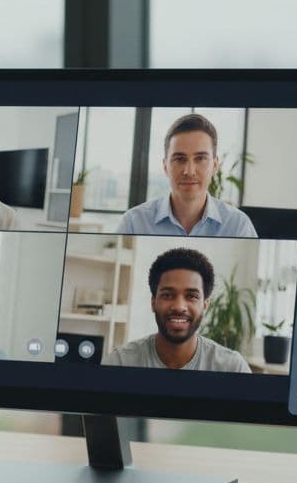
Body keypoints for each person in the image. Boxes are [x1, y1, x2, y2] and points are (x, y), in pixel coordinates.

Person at [103, 248, 252, 372]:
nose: (179, 307)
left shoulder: (233, 368)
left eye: (191, 296)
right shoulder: (120, 362)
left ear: (205, 305)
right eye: (167, 295)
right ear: (153, 302)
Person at [115, 113, 258, 238]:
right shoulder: (133, 222)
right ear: (165, 166)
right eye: (180, 159)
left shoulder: (238, 225)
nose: (189, 171)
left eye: (200, 158)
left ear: (215, 166)